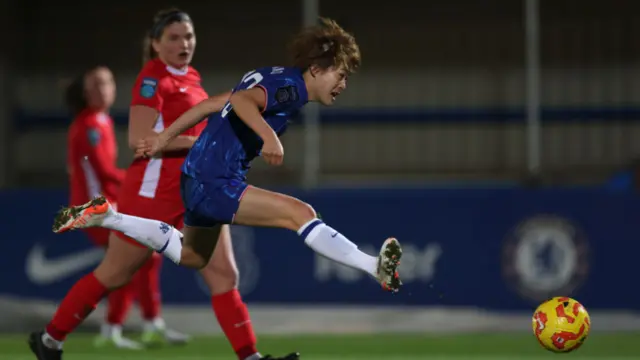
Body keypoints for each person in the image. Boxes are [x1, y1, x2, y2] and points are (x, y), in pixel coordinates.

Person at [51, 16, 402, 312]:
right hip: (214, 178)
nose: (343, 84)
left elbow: (213, 105)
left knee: (192, 257)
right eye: (340, 75)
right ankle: (373, 267)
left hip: (197, 178)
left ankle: (109, 216)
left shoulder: (274, 76)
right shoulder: (291, 88)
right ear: (315, 69)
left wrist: (164, 139)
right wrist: (269, 136)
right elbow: (242, 102)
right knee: (300, 213)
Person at [29, 8, 297, 360]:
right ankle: (50, 340)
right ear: (156, 44)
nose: (183, 43)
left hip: (197, 189)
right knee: (115, 273)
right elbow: (139, 139)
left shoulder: (192, 77)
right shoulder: (152, 79)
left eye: (188, 36)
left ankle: (250, 357)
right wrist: (200, 144)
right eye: (173, 37)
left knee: (224, 275)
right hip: (152, 193)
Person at [65, 66, 149, 349]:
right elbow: (103, 171)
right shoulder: (89, 126)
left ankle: (108, 328)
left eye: (107, 83)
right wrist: (141, 178)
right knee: (131, 262)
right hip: (93, 208)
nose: (103, 89)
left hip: (103, 206)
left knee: (128, 265)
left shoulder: (101, 122)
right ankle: (106, 328)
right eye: (96, 84)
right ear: (86, 92)